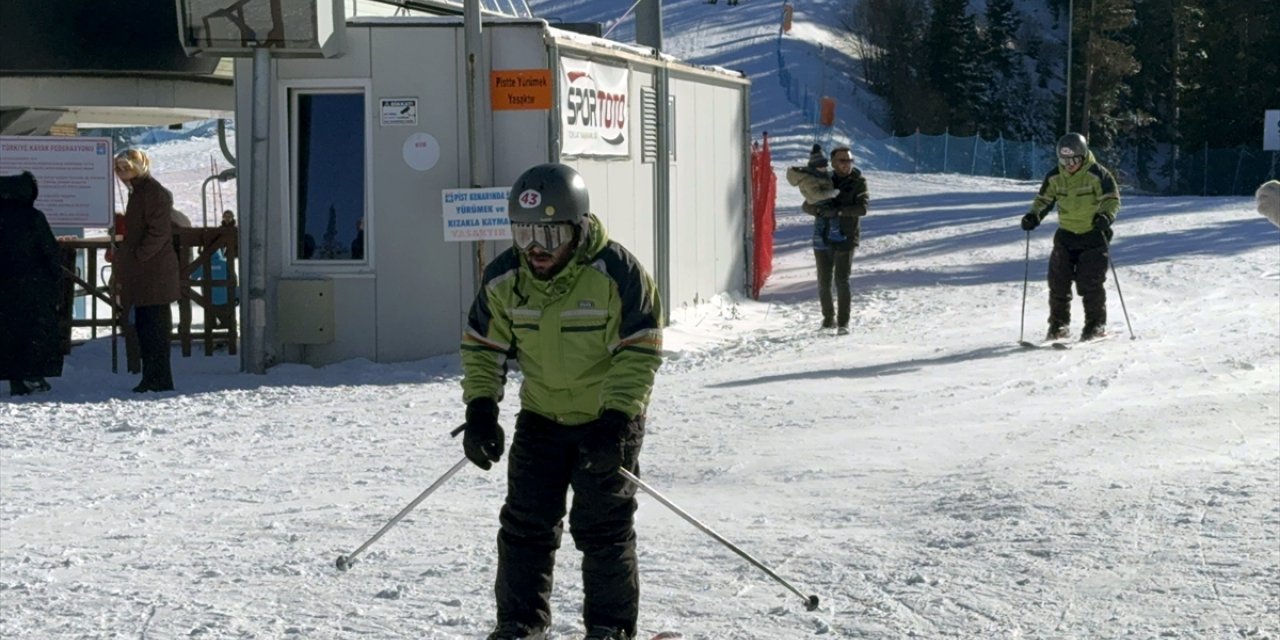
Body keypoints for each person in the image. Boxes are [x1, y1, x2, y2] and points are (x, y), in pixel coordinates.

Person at [459, 163, 663, 640]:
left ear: (577, 228)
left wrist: (616, 422)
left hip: (605, 420)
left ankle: (609, 628)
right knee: (525, 528)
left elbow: (640, 351)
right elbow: (482, 346)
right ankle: (520, 626)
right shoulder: (505, 278)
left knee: (603, 530)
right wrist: (481, 410)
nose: (535, 249)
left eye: (548, 236)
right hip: (542, 417)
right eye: (524, 232)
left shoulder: (618, 274)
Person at [1021, 132, 1121, 342]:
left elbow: (1111, 199)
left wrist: (1105, 216)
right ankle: (1058, 326)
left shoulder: (1098, 174)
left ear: (1083, 156)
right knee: (1058, 283)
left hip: (1093, 237)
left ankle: (1095, 326)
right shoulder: (1055, 176)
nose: (1069, 165)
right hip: (1066, 236)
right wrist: (1034, 215)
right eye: (1064, 160)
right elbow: (1044, 199)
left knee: (1090, 284)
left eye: (1073, 160)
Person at [114, 149, 179, 393]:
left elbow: (159, 232)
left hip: (154, 271)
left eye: (126, 167)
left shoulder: (152, 192)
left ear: (139, 166)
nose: (122, 173)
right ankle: (151, 376)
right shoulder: (138, 192)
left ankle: (159, 378)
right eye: (119, 169)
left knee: (155, 328)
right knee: (145, 327)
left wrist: (138, 255)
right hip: (144, 272)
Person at [0, 171, 62, 396]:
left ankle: (14, 377)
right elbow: (49, 251)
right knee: (32, 332)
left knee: (7, 333)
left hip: (4, 288)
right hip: (32, 286)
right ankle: (31, 374)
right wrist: (55, 278)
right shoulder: (33, 217)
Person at [799, 145, 869, 335]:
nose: (847, 164)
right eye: (842, 160)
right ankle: (828, 319)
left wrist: (839, 211)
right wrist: (821, 211)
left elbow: (862, 208)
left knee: (841, 280)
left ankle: (843, 322)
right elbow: (806, 205)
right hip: (822, 236)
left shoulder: (858, 182)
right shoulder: (823, 179)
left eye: (849, 160)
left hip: (846, 237)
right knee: (823, 281)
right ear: (833, 162)